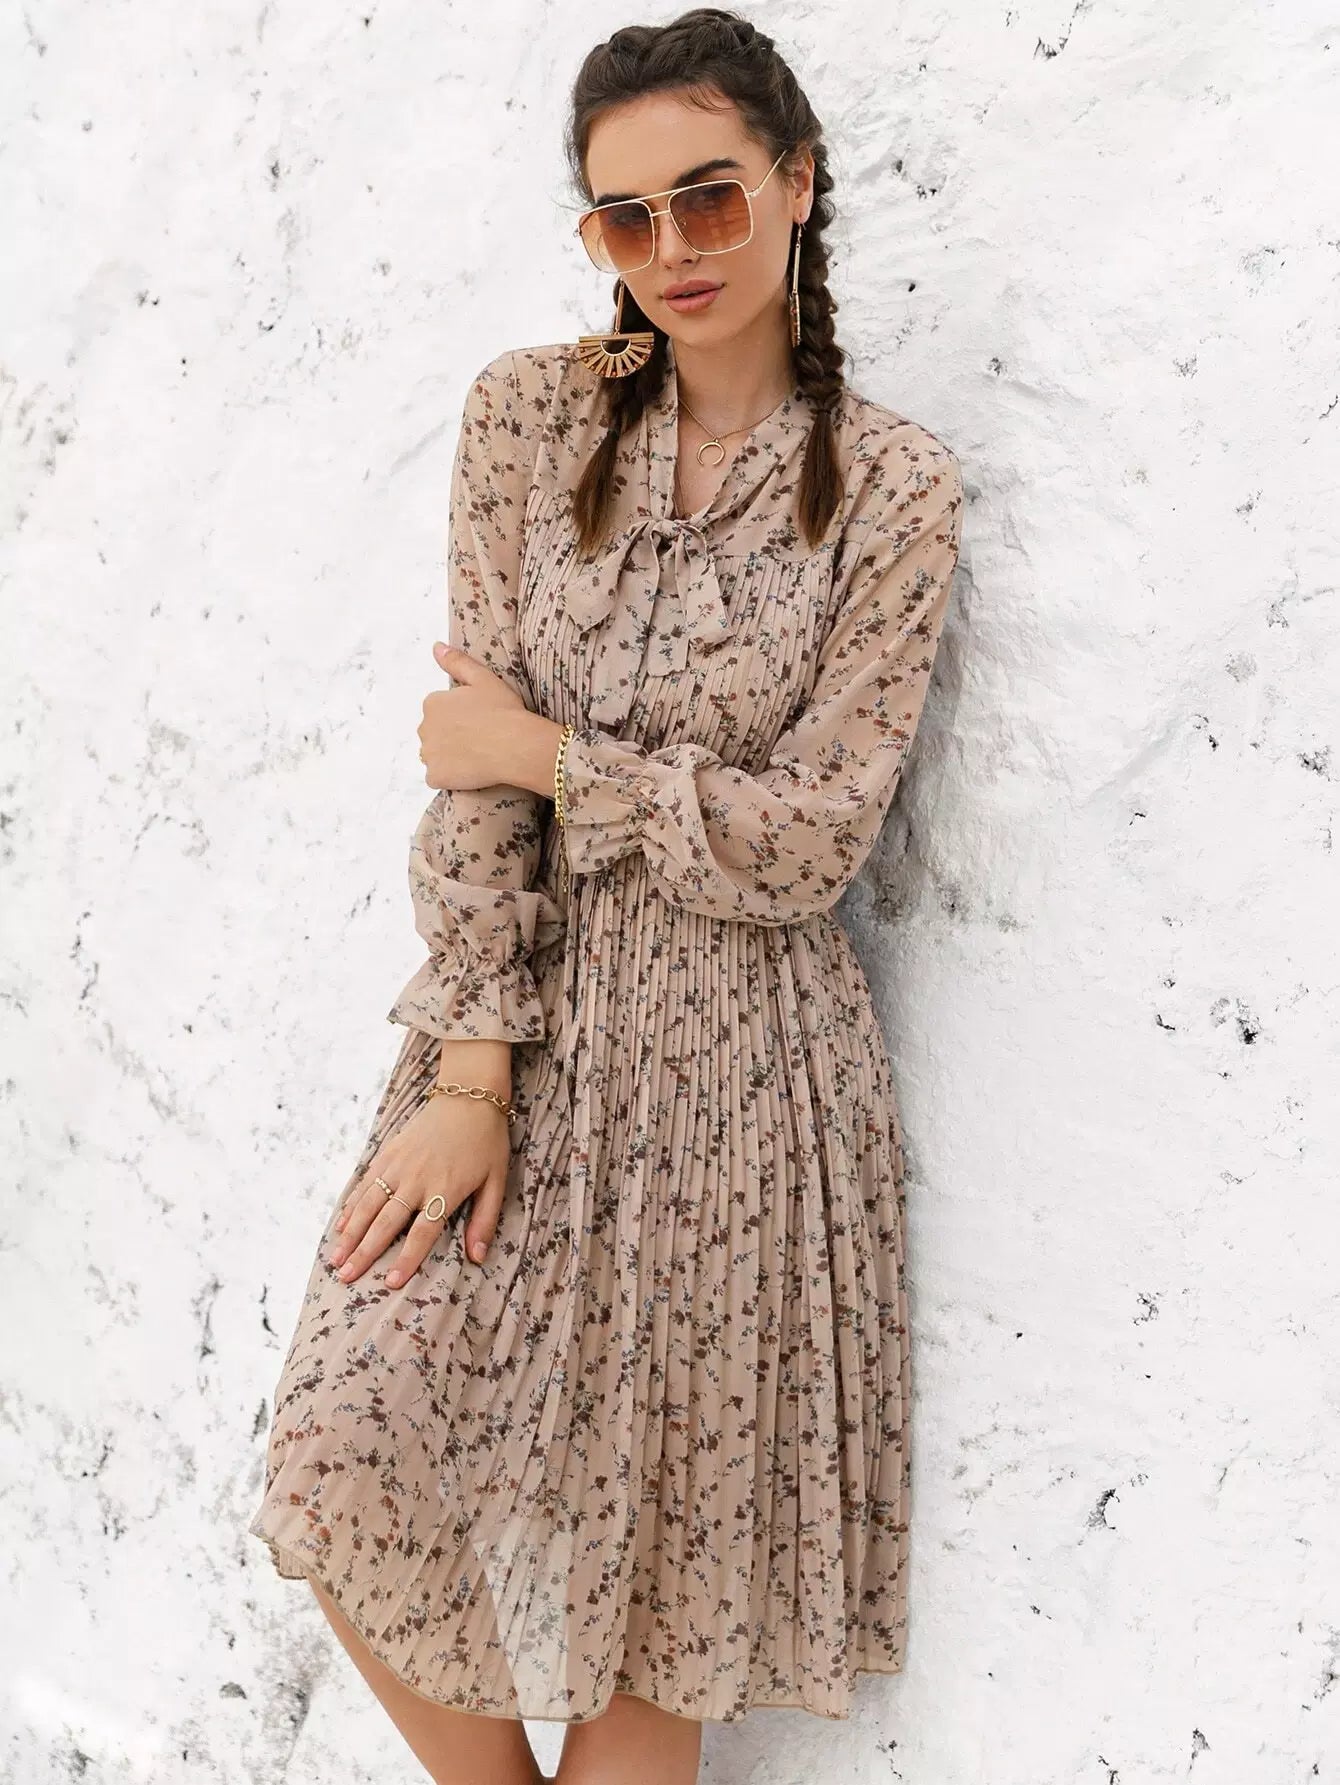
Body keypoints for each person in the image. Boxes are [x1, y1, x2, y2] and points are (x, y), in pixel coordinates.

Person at [248, 10, 966, 1784]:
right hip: (527, 1040)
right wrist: (470, 1075)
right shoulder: (529, 418)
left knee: (658, 1597)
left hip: (747, 1083)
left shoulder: (891, 488)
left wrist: (560, 756)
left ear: (798, 184)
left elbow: (810, 843)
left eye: (708, 198)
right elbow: (469, 778)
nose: (671, 252)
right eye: (623, 218)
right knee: (340, 1446)